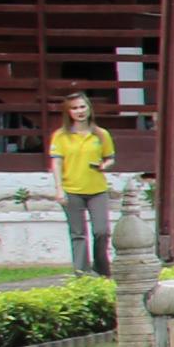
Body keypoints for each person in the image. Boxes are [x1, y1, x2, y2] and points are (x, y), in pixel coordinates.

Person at [46, 92, 113, 273]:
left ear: (89, 108)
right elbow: (56, 162)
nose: (79, 111)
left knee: (102, 231)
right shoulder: (60, 136)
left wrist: (103, 165)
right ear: (68, 112)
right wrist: (59, 189)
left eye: (82, 106)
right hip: (72, 189)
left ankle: (101, 268)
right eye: (74, 108)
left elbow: (110, 158)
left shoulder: (101, 134)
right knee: (78, 233)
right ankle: (81, 273)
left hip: (97, 189)